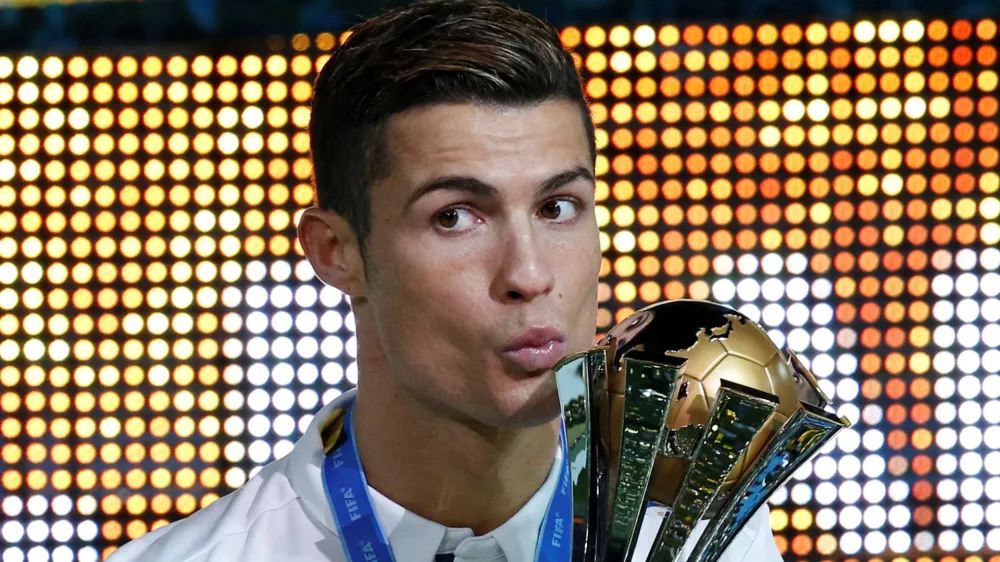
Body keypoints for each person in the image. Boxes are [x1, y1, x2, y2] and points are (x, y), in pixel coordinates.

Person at [107, 1, 784, 560]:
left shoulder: (710, 545)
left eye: (557, 208)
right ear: (335, 252)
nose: (528, 274)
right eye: (456, 216)